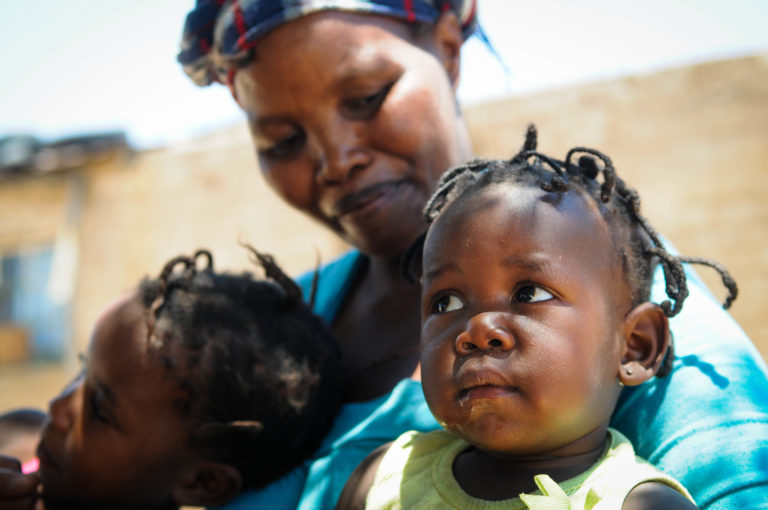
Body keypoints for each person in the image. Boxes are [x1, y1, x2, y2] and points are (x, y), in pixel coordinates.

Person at [177, 2, 768, 509]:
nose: (336, 160)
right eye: (282, 140)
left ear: (449, 50)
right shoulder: (279, 326)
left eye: (364, 98)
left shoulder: (633, 295)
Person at [336, 128, 719, 509]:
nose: (477, 329)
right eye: (446, 302)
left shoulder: (635, 504)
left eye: (529, 294)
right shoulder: (383, 480)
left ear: (635, 346)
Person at [0, 248, 340, 510]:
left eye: (101, 411)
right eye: (82, 372)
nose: (57, 408)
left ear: (202, 482)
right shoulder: (16, 437)